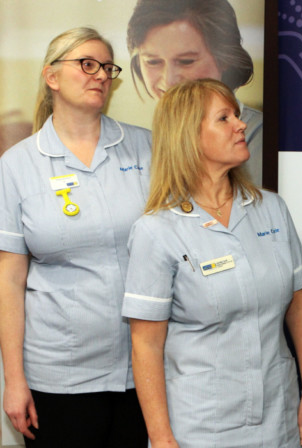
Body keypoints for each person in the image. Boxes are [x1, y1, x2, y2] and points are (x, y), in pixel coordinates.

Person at [122, 78, 302, 447]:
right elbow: (146, 346)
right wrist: (161, 437)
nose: (241, 124)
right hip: (202, 428)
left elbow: (301, 306)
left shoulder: (271, 209)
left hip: (280, 418)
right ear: (189, 136)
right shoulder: (156, 231)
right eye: (224, 118)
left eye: (237, 114)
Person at [0, 27, 150, 446]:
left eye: (107, 67)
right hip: (59, 377)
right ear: (52, 77)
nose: (101, 75)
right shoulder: (17, 165)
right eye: (87, 65)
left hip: (145, 370)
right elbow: (9, 279)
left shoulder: (146, 150)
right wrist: (14, 381)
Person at [126, 0, 263, 185]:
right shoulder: (137, 143)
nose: (169, 80)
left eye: (186, 61)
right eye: (153, 62)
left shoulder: (258, 138)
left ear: (224, 58)